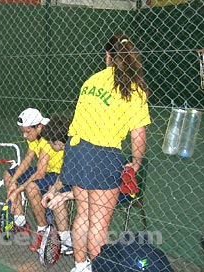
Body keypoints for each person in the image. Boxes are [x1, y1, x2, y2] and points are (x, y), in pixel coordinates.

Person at [59, 34, 151, 272]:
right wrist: (136, 162)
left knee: (83, 214)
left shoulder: (91, 81)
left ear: (107, 56)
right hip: (103, 155)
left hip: (76, 149)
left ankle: (80, 267)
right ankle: (97, 268)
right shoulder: (134, 89)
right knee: (99, 222)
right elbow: (138, 135)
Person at [2, 108, 72, 255]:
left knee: (32, 188)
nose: (24, 135)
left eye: (27, 131)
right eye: (23, 131)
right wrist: (12, 184)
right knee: (9, 175)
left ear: (39, 126)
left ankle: (43, 231)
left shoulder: (48, 136)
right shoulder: (35, 135)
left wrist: (16, 191)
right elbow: (28, 159)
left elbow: (40, 173)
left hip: (58, 173)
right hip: (45, 170)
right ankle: (20, 223)